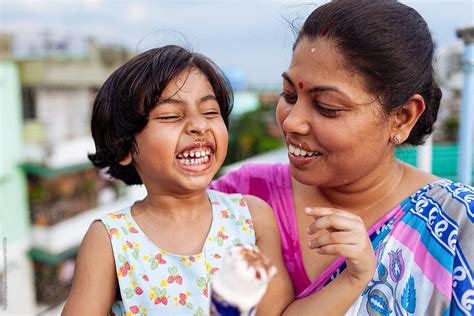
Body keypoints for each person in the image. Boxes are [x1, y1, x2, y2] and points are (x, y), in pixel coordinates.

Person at [62, 45, 374, 316]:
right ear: (124, 146)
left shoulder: (252, 218)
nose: (199, 125)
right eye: (170, 116)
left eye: (210, 112)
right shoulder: (110, 240)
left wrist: (354, 277)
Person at [211, 1, 474, 315]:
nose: (292, 122)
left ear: (402, 117)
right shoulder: (241, 197)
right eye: (289, 95)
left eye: (327, 107)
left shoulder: (457, 225)